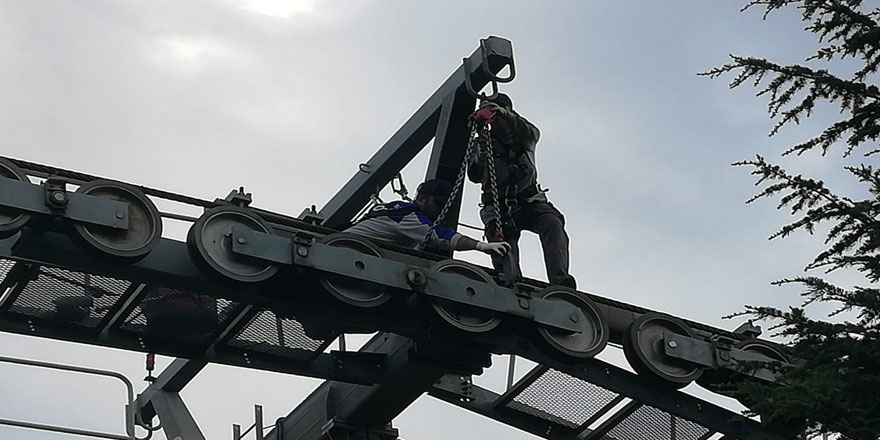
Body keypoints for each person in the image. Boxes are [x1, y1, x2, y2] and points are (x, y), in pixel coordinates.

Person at [467, 93, 577, 288]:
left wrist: (500, 113)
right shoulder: (482, 143)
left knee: (552, 223)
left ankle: (560, 281)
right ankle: (510, 280)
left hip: (530, 201)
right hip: (497, 208)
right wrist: (482, 148)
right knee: (501, 245)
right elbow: (474, 175)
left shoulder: (524, 138)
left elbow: (532, 132)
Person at [345, 178, 510, 257]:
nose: (440, 209)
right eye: (437, 203)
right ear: (421, 199)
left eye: (444, 206)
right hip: (349, 251)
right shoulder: (411, 218)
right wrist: (481, 246)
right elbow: (442, 237)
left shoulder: (398, 209)